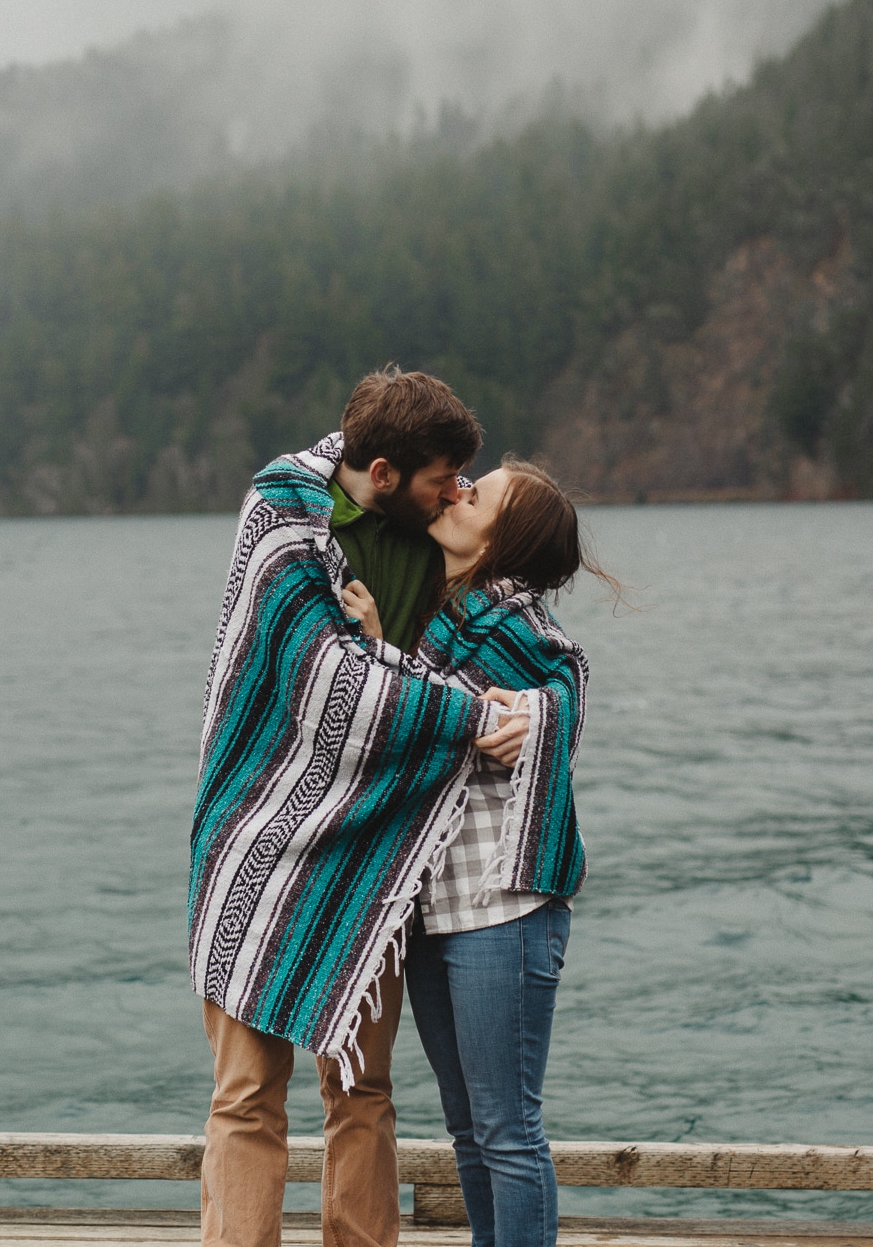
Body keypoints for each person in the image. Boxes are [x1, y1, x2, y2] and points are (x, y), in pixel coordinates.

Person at [189, 368, 530, 1247]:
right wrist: (471, 715)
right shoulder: (281, 514)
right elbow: (321, 681)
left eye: (463, 480)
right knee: (246, 1094)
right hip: (257, 837)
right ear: (382, 472)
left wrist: (529, 708)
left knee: (362, 1089)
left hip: (373, 851)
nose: (455, 492)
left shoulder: (440, 543)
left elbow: (512, 647)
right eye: (440, 478)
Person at [340, 456, 609, 1247]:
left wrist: (540, 713)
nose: (459, 491)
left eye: (478, 492)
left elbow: (557, 685)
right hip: (432, 906)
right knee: (467, 1131)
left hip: (506, 907)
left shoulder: (523, 636)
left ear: (502, 540)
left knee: (507, 1131)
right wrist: (389, 647)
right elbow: (426, 716)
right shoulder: (431, 618)